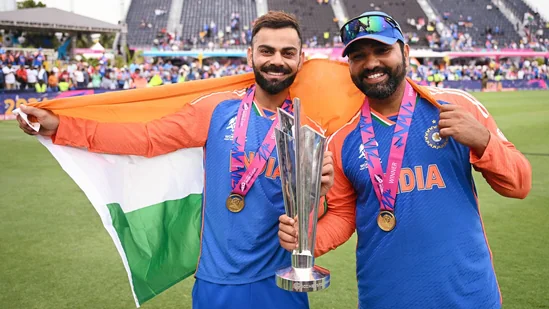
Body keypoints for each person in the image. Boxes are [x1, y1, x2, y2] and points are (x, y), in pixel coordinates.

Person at [17, 11, 334, 309]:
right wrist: (62, 126)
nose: (276, 61)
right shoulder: (217, 109)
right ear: (250, 55)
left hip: (282, 282)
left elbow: (317, 214)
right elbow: (147, 138)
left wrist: (318, 195)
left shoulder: (309, 129)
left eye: (287, 53)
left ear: (300, 59)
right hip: (217, 283)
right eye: (267, 51)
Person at [278, 11, 532, 309]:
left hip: (469, 297)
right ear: (349, 65)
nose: (371, 63)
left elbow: (520, 184)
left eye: (383, 50)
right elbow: (344, 216)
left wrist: (483, 141)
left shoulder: (455, 107)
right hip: (385, 299)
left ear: (406, 52)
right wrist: (306, 240)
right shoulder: (342, 139)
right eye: (358, 56)